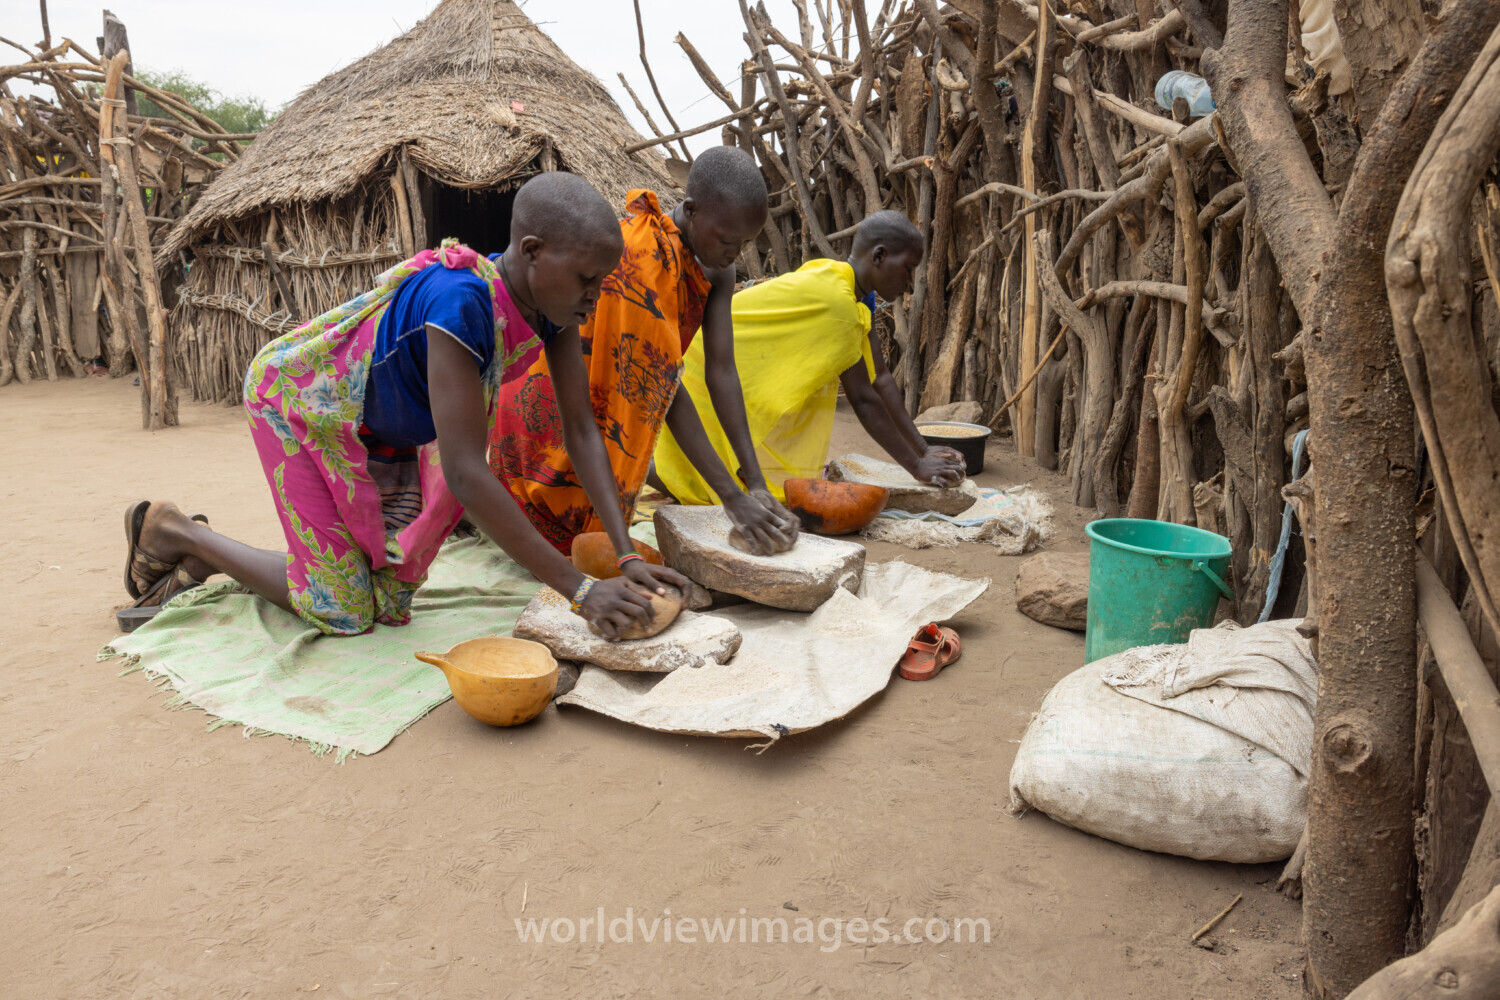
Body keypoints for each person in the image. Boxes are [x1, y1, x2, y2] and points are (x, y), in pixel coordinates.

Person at [121, 172, 685, 640]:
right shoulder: (458, 301)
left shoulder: (555, 311)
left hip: (388, 437)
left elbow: (582, 432)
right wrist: (579, 590)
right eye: (588, 278)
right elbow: (465, 472)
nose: (595, 294)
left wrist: (625, 556)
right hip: (301, 403)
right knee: (342, 610)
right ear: (533, 252)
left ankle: (225, 559)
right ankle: (179, 533)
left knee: (387, 604)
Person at [489, 147, 797, 557]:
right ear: (692, 210)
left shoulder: (718, 269)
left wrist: (754, 482)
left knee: (599, 533)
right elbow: (660, 387)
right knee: (572, 542)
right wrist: (731, 497)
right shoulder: (640, 256)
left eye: (745, 243)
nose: (735, 253)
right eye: (727, 240)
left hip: (602, 407)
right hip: (550, 412)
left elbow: (721, 371)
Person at [653, 210, 966, 505]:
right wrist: (916, 465)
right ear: (880, 256)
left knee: (723, 484)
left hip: (724, 363)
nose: (911, 283)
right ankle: (635, 473)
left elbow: (880, 378)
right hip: (708, 365)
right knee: (703, 491)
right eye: (908, 268)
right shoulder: (840, 306)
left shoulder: (849, 288)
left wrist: (923, 448)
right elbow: (862, 397)